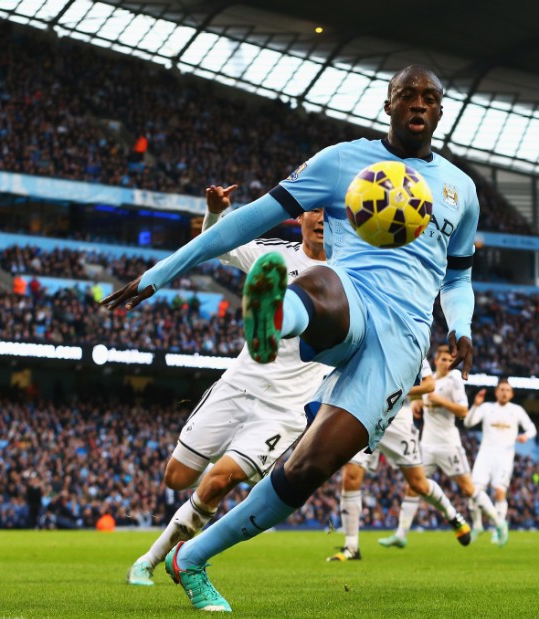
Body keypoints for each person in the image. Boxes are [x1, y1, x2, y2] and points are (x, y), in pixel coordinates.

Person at [102, 64, 478, 613]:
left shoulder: (460, 191)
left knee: (306, 471)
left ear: (440, 111)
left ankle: (192, 558)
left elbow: (460, 276)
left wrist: (461, 325)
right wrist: (163, 271)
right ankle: (275, 315)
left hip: (402, 341)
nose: (418, 104)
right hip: (351, 292)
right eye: (407, 96)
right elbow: (248, 220)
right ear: (387, 105)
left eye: (429, 98)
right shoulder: (341, 161)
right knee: (321, 280)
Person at [126, 187, 327, 586]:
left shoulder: (349, 273)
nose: (322, 219)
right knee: (178, 478)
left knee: (221, 479)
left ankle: (152, 558)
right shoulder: (276, 256)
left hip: (285, 409)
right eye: (315, 211)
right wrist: (215, 213)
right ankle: (202, 515)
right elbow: (221, 246)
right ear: (301, 218)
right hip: (238, 385)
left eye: (329, 213)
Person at [328, 358, 470, 562]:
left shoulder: (413, 347)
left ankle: (451, 513)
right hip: (365, 414)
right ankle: (351, 547)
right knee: (350, 476)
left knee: (418, 484)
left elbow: (429, 384)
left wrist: (397, 390)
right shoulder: (368, 340)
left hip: (398, 420)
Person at [379, 344, 506, 549]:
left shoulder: (453, 379)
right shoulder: (429, 381)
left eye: (451, 360)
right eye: (444, 360)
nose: (447, 363)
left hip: (449, 445)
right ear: (436, 361)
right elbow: (421, 398)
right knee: (413, 486)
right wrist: (418, 403)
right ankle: (401, 534)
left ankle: (500, 523)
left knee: (468, 488)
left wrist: (438, 400)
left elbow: (463, 410)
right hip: (427, 444)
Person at [463, 378, 536, 544]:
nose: (504, 392)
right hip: (485, 455)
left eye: (507, 390)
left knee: (499, 492)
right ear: (496, 392)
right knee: (472, 491)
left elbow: (532, 428)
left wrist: (526, 436)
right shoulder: (486, 408)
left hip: (504, 457)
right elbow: (468, 423)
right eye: (501, 389)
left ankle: (497, 529)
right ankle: (477, 525)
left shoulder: (517, 410)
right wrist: (475, 405)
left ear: (512, 394)